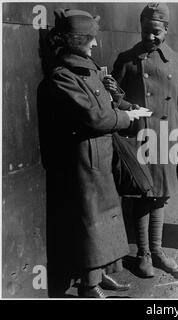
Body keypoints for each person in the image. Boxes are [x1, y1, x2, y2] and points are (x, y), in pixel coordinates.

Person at [40, 8, 145, 298]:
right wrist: (125, 119)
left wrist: (123, 104)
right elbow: (95, 118)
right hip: (84, 163)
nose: (95, 44)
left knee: (106, 217)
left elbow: (105, 106)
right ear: (75, 40)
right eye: (90, 39)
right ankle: (89, 285)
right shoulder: (63, 77)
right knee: (90, 223)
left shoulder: (87, 70)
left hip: (99, 158)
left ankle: (101, 276)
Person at [111, 3, 178, 278]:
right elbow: (113, 99)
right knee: (142, 196)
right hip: (139, 137)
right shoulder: (126, 59)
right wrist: (123, 101)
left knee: (160, 196)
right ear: (141, 27)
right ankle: (143, 254)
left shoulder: (177, 59)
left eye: (157, 32)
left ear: (167, 30)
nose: (151, 37)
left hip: (168, 136)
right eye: (147, 31)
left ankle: (158, 251)